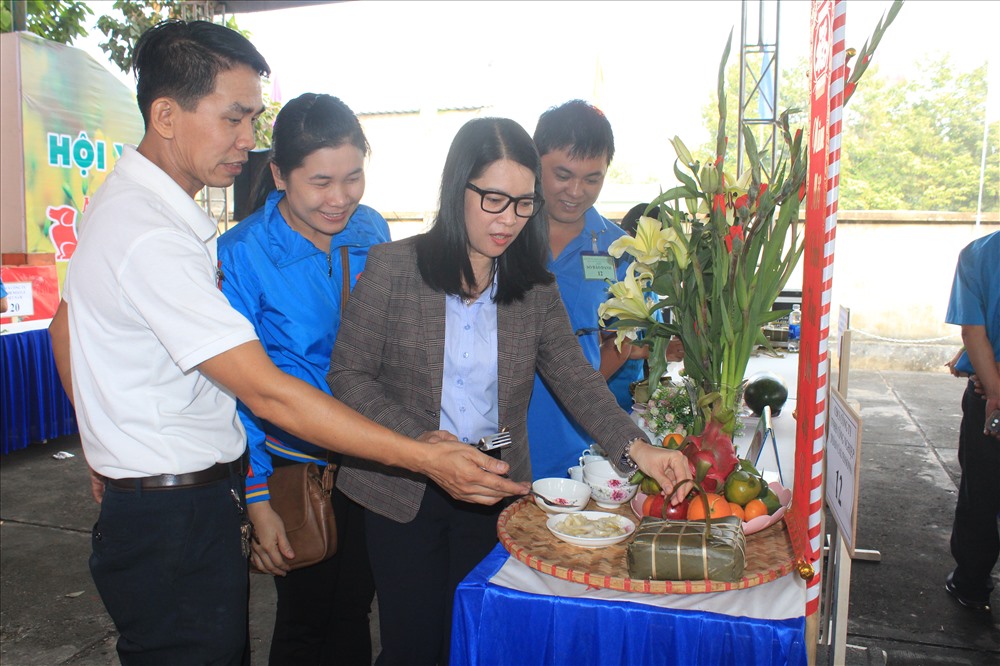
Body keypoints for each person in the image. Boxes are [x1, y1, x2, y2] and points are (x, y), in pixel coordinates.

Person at [47, 20, 526, 665]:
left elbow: (65, 323)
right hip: (202, 497)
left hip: (250, 479)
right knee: (281, 631)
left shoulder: (152, 210)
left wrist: (104, 441)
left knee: (349, 615)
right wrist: (419, 457)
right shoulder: (167, 237)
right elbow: (267, 391)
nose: (246, 140)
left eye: (253, 119)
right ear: (166, 114)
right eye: (234, 118)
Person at [327, 116, 692, 666]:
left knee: (478, 634)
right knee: (414, 645)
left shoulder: (534, 289)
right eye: (494, 200)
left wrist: (638, 448)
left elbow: (575, 377)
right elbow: (348, 376)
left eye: (524, 204)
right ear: (458, 189)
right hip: (403, 487)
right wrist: (423, 444)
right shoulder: (393, 268)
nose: (510, 220)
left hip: (493, 484)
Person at [217, 93, 381, 665]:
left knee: (356, 609)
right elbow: (238, 388)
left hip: (368, 459)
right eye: (320, 182)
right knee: (305, 618)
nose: (340, 199)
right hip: (289, 464)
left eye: (353, 177)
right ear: (279, 175)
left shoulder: (371, 230)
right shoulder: (243, 254)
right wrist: (257, 496)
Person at [526, 100, 647, 479]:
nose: (576, 191)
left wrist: (584, 387)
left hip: (572, 443)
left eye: (592, 179)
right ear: (534, 162)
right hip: (491, 437)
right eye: (562, 174)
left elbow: (620, 342)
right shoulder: (502, 233)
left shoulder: (618, 251)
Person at [943, 229, 1000, 614]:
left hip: (989, 396)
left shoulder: (980, 253)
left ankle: (972, 583)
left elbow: (974, 330)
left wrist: (995, 390)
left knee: (981, 490)